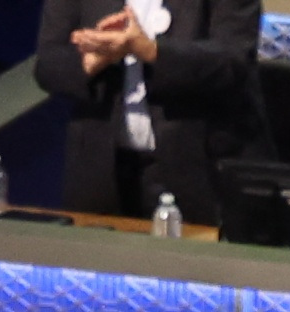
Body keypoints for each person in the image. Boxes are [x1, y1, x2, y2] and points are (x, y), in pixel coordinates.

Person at [31, 0, 269, 225]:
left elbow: (233, 60)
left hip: (198, 169)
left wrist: (151, 51)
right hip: (102, 173)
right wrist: (89, 62)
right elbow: (47, 64)